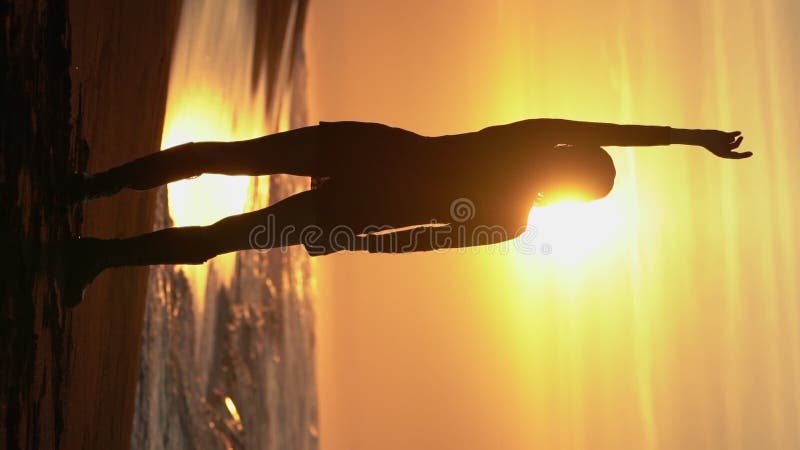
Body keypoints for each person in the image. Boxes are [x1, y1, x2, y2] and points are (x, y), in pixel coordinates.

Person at [61, 118, 751, 306]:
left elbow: (427, 241)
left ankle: (96, 240)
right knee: (225, 164)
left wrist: (359, 243)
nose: (566, 151)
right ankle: (93, 197)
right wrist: (691, 138)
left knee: (221, 230)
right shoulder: (526, 155)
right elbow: (622, 129)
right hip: (361, 159)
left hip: (359, 188)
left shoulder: (514, 212)